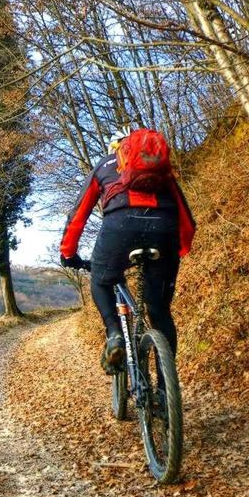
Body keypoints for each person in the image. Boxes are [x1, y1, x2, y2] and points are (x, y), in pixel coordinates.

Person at [60, 128, 195, 374]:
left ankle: (114, 335)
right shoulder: (162, 169)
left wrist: (68, 253)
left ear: (117, 149)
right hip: (164, 231)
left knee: (101, 282)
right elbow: (186, 217)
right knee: (160, 311)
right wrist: (180, 249)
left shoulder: (104, 165)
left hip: (120, 228)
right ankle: (166, 390)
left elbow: (78, 215)